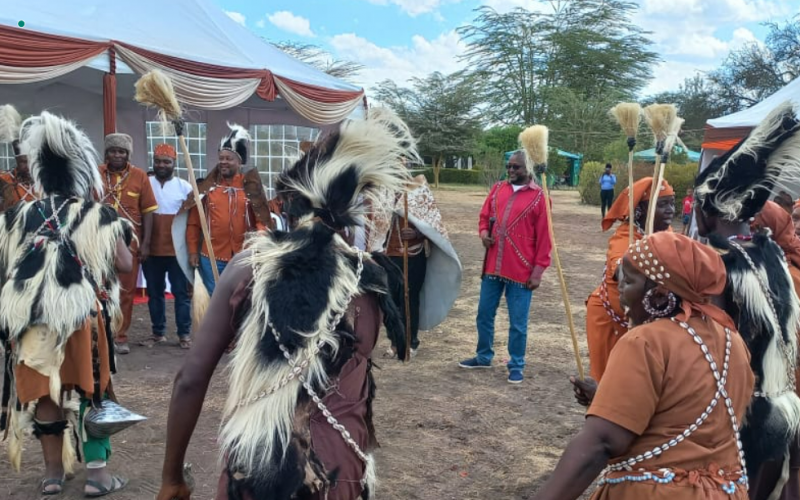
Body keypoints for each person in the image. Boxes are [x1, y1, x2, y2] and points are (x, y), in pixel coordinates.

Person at [155, 108, 413, 500]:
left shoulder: (249, 267)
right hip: (339, 472)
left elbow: (190, 379)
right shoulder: (372, 278)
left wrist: (172, 477)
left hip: (254, 471)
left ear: (287, 206)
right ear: (351, 211)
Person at [535, 233, 753, 500]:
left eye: (628, 280)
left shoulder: (644, 340)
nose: (620, 289)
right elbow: (686, 410)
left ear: (659, 294)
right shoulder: (733, 341)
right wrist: (606, 398)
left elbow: (602, 442)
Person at [0, 112, 134, 496]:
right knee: (92, 391)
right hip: (80, 316)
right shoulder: (95, 213)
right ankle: (97, 476)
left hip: (30, 319)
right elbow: (125, 264)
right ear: (82, 173)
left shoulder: (18, 215)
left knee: (46, 394)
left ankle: (53, 475)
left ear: (40, 172)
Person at [693, 101, 800, 499]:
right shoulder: (770, 253)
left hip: (743, 415)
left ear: (706, 212)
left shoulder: (717, 263)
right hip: (784, 406)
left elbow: (708, 346)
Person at [458, 150, 552, 384]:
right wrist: (483, 234)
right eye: (509, 166)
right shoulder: (498, 189)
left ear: (528, 169)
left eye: (516, 167)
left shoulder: (541, 198)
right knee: (483, 314)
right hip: (492, 267)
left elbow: (545, 239)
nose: (510, 170)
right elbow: (483, 217)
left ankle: (516, 364)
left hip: (521, 271)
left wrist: (538, 272)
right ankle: (483, 356)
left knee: (518, 323)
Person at [585, 177, 675, 381]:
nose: (671, 209)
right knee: (608, 382)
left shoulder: (668, 233)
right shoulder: (626, 237)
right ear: (642, 211)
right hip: (611, 319)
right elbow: (622, 270)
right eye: (663, 204)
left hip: (645, 322)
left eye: (672, 203)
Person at [384, 176, 462, 359]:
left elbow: (433, 226)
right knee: (390, 299)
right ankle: (394, 342)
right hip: (387, 255)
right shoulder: (381, 188)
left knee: (409, 298)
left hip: (411, 255)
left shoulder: (418, 190)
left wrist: (417, 233)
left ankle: (411, 342)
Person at [184, 124, 267, 295]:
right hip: (211, 257)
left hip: (243, 257)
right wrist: (193, 251)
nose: (223, 162)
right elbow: (193, 223)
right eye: (221, 158)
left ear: (240, 162)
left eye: (229, 158)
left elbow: (262, 221)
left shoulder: (252, 187)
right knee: (215, 302)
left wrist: (260, 236)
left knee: (239, 301)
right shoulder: (206, 189)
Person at [99, 133, 158, 354]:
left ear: (128, 154)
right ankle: (101, 334)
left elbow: (149, 212)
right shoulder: (96, 173)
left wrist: (146, 244)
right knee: (100, 287)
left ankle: (120, 336)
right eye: (113, 151)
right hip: (99, 240)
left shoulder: (139, 176)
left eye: (122, 151)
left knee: (125, 289)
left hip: (129, 242)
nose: (117, 155)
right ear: (107, 153)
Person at [141, 143, 193, 349]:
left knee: (181, 293)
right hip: (151, 249)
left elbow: (191, 220)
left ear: (174, 163)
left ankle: (184, 334)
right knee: (155, 292)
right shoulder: (145, 183)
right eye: (158, 161)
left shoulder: (185, 187)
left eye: (166, 162)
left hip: (177, 250)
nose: (161, 165)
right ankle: (158, 332)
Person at [0, 105, 36, 211]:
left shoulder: (42, 181)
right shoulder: (6, 179)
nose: (28, 166)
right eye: (24, 162)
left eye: (32, 161)